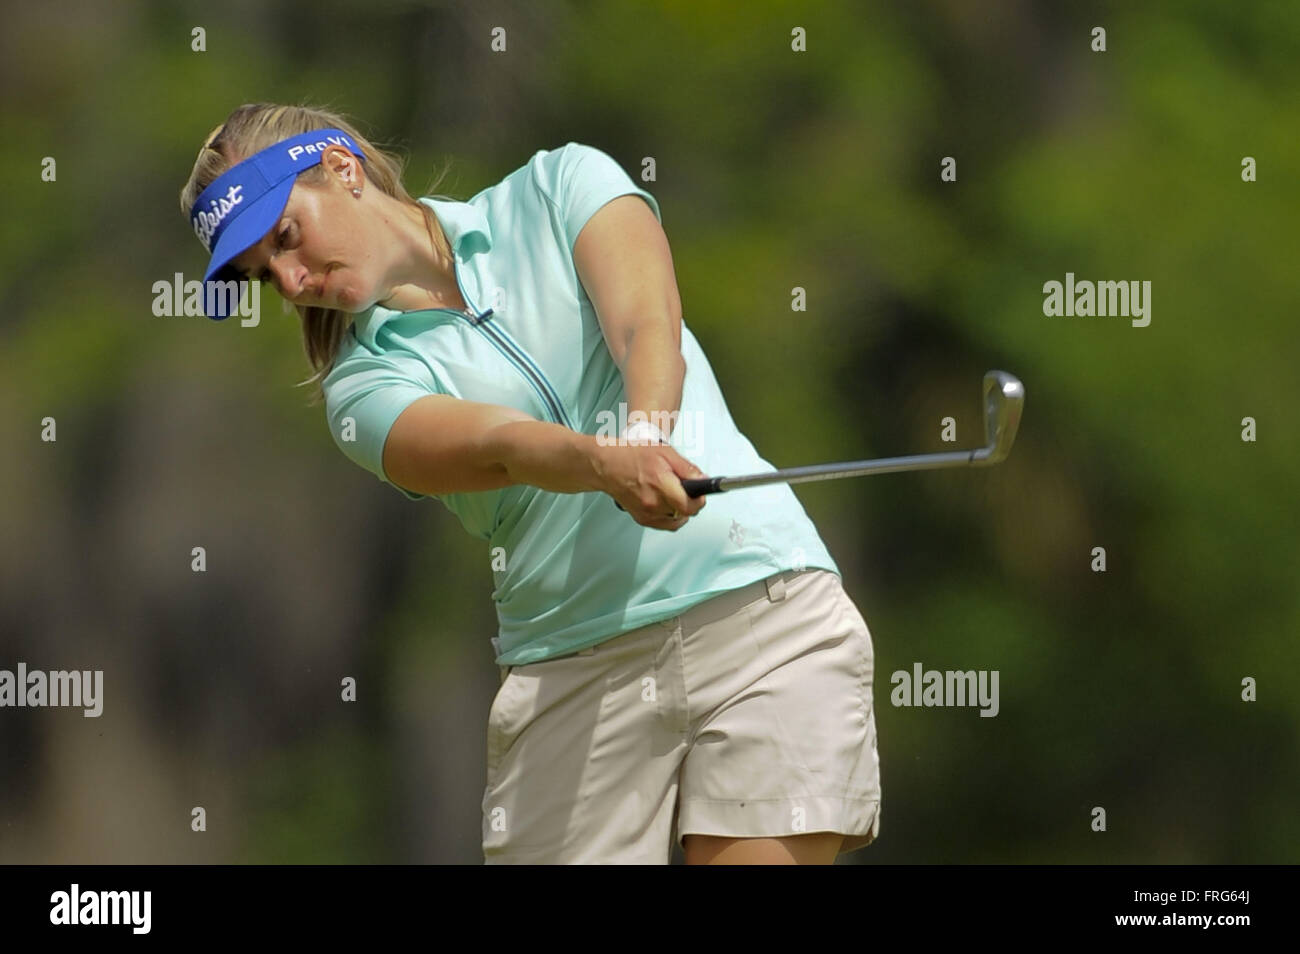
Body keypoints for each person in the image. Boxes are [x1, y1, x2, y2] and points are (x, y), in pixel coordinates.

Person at [179, 103, 881, 864]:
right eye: (263, 277)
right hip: (574, 674)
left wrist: (644, 437)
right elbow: (499, 445)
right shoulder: (360, 393)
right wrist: (605, 464)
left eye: (285, 238)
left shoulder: (558, 186)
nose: (290, 280)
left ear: (343, 170)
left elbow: (647, 323)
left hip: (761, 616)